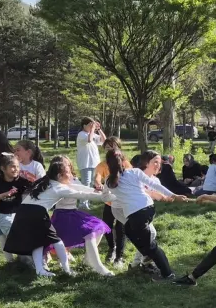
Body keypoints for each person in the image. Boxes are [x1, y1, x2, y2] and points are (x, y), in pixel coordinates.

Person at [6, 156, 114, 277]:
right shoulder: (59, 188)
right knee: (57, 242)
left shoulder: (45, 182)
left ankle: (40, 270)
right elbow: (82, 194)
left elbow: (80, 189)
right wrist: (104, 197)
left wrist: (102, 193)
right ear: (59, 176)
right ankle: (67, 270)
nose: (70, 174)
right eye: (67, 172)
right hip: (36, 213)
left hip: (23, 212)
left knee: (37, 242)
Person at [103, 148, 189, 281]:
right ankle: (146, 254)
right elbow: (155, 185)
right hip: (148, 208)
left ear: (108, 163)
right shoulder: (135, 172)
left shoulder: (109, 181)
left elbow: (104, 198)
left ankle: (167, 274)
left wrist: (116, 197)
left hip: (137, 215)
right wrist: (174, 195)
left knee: (151, 246)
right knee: (129, 230)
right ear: (124, 160)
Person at [0, 153, 29, 262]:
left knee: (13, 235)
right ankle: (26, 261)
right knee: (15, 235)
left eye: (17, 166)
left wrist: (31, 180)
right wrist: (5, 194)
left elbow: (35, 188)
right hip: (0, 214)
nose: (16, 169)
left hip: (16, 214)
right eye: (12, 167)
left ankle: (14, 261)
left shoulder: (21, 181)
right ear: (3, 168)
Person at [96, 138, 128, 265]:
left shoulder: (125, 163)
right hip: (109, 202)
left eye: (113, 147)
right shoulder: (102, 165)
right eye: (107, 147)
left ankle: (119, 257)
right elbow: (98, 177)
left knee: (121, 229)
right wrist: (98, 184)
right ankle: (112, 248)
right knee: (106, 226)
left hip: (122, 203)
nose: (110, 150)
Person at [75, 117, 106, 188]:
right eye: (90, 125)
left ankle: (91, 195)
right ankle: (84, 196)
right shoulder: (81, 134)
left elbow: (104, 140)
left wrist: (99, 129)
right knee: (86, 183)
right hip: (85, 163)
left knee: (93, 183)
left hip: (95, 163)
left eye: (93, 125)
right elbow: (89, 140)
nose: (92, 126)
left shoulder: (93, 134)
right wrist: (93, 128)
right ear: (84, 125)